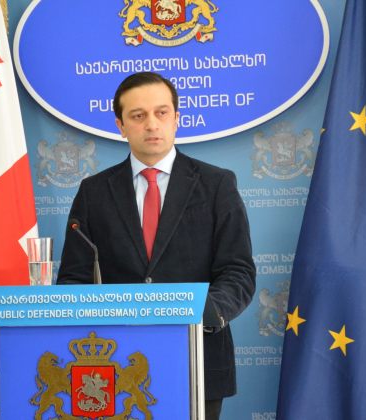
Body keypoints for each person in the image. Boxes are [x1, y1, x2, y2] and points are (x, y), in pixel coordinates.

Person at [57, 71, 256, 419]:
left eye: (161, 113)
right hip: (112, 364)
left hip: (198, 357)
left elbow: (238, 271)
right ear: (121, 125)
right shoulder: (94, 192)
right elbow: (74, 279)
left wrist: (203, 312)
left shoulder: (216, 184)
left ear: (176, 119)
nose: (151, 124)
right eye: (138, 115)